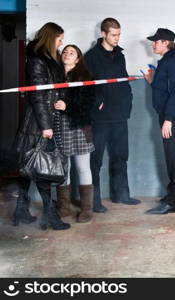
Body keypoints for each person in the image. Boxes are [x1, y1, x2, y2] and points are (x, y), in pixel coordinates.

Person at [14, 22, 70, 230]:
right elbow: (38, 95)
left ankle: (20, 210)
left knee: (28, 166)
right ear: (50, 38)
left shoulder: (47, 59)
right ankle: (50, 217)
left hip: (43, 118)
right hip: (38, 122)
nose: (61, 43)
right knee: (43, 169)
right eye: (59, 39)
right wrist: (46, 126)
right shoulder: (38, 61)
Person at [84, 17, 141, 213]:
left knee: (120, 156)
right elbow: (85, 86)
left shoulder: (120, 55)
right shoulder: (90, 57)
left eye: (119, 35)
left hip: (120, 115)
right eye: (114, 35)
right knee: (96, 160)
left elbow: (123, 80)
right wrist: (97, 102)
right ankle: (94, 201)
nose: (117, 38)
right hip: (99, 118)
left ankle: (121, 195)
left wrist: (128, 102)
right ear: (103, 34)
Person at [143, 28, 175, 215]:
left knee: (174, 157)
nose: (153, 44)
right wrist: (152, 81)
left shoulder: (174, 63)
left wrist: (169, 119)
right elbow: (165, 89)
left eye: (156, 41)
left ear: (166, 43)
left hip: (172, 114)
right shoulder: (166, 62)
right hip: (169, 113)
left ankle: (172, 202)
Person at [54, 44, 95, 223]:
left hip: (79, 127)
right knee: (63, 168)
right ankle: (64, 208)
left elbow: (88, 108)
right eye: (65, 51)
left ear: (78, 59)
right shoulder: (54, 75)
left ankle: (87, 210)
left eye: (72, 53)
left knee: (83, 167)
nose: (67, 54)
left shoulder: (85, 78)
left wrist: (67, 107)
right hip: (59, 127)